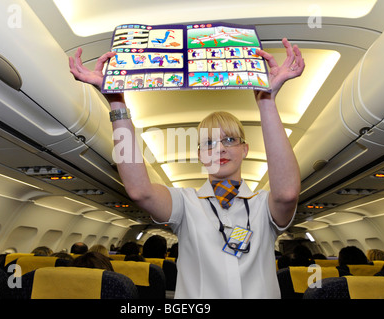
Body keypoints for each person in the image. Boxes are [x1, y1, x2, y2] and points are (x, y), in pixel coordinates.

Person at [69, 38, 304, 298]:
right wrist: (116, 102)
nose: (220, 149)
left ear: (245, 149)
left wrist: (267, 101)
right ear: (201, 156)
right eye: (209, 143)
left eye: (229, 140)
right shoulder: (185, 204)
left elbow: (287, 194)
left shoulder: (263, 205)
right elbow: (139, 191)